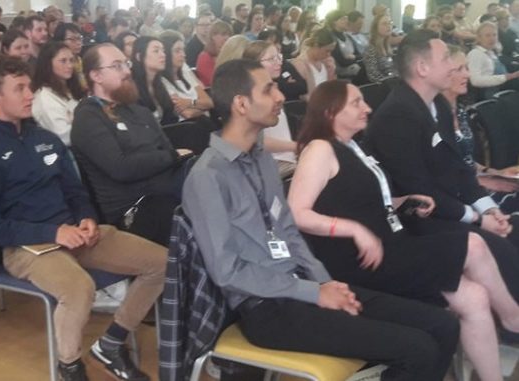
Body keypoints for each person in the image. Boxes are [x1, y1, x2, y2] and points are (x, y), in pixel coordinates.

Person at [183, 59, 459, 381]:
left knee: (444, 325)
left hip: (305, 285)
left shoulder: (260, 159)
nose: (280, 96)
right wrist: (314, 293)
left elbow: (287, 229)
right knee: (418, 349)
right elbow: (227, 271)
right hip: (268, 308)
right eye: (269, 89)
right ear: (241, 104)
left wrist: (324, 282)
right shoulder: (208, 176)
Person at [291, 79, 519, 381]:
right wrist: (353, 229)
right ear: (332, 111)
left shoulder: (350, 146)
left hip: (389, 246)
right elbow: (296, 212)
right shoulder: (320, 149)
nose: (368, 108)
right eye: (357, 102)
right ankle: (513, 318)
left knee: (474, 297)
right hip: (361, 261)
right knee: (474, 245)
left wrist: (401, 202)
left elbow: (358, 200)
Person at [0, 54, 165, 381]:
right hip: (27, 247)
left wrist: (86, 217)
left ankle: (112, 343)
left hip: (74, 233)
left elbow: (75, 191)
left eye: (29, 86)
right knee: (79, 288)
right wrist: (53, 232)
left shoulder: (45, 138)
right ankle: (70, 366)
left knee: (162, 263)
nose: (30, 95)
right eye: (20, 88)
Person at [364, 30, 519, 324]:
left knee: (513, 226)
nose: (452, 65)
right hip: (417, 220)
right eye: (446, 58)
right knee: (498, 245)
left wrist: (489, 208)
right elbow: (417, 189)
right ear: (423, 68)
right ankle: (512, 324)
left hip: (449, 207)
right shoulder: (396, 115)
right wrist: (475, 218)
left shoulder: (436, 106)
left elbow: (459, 170)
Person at [71, 43, 191, 239]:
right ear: (96, 76)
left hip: (167, 189)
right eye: (117, 66)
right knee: (195, 206)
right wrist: (171, 156)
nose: (127, 71)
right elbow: (121, 168)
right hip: (135, 209)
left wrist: (171, 157)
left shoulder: (139, 110)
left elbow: (168, 152)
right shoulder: (88, 118)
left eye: (126, 64)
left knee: (208, 175)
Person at [443, 45, 519, 214]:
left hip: (474, 182)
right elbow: (442, 174)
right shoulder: (432, 118)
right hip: (459, 196)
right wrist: (483, 182)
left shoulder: (460, 110)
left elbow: (466, 160)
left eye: (467, 68)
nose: (467, 74)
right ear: (442, 74)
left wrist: (494, 173)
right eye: (459, 69)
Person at [243, 41, 298, 177]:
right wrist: (295, 146)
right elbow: (256, 141)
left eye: (279, 57)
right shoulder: (251, 95)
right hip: (269, 164)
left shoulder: (275, 88)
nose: (278, 62)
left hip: (287, 158)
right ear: (254, 64)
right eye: (272, 59)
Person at [31, 41, 86, 156]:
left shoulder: (70, 88)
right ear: (48, 64)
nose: (70, 65)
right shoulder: (44, 98)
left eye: (71, 60)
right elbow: (65, 137)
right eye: (63, 61)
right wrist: (87, 122)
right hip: (69, 155)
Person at [158, 30, 213, 121]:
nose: (183, 54)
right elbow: (187, 114)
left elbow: (209, 102)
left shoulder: (184, 71)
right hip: (186, 127)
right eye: (177, 51)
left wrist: (189, 103)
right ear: (166, 54)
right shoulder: (162, 81)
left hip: (204, 122)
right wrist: (203, 109)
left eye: (183, 50)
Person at [131, 36, 178, 125]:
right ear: (139, 56)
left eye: (163, 51)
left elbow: (171, 117)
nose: (163, 55)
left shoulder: (159, 83)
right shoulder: (131, 88)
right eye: (156, 51)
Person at [467, 22, 519, 99]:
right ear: (479, 38)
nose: (492, 38)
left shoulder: (491, 53)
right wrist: (507, 77)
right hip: (491, 94)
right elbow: (475, 81)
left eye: (494, 35)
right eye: (488, 35)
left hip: (504, 89)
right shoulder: (476, 54)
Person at [292, 28, 337, 97]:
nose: (329, 54)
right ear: (316, 45)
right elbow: (302, 96)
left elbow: (332, 88)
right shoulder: (300, 64)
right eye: (327, 51)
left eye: (331, 51)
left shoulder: (327, 61)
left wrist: (331, 71)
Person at [326, 10, 361, 79]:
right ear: (334, 22)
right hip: (340, 73)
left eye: (347, 18)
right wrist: (356, 58)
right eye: (343, 19)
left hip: (353, 68)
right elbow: (342, 61)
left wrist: (354, 57)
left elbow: (359, 55)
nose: (346, 21)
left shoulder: (348, 36)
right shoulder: (331, 38)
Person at [196, 20, 232, 86]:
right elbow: (215, 82)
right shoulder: (204, 57)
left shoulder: (230, 55)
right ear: (213, 36)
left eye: (229, 35)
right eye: (223, 34)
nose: (227, 38)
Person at [365, 14, 397, 83]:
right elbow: (374, 76)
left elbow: (393, 69)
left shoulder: (388, 47)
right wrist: (392, 83)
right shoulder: (371, 49)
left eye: (390, 23)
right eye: (384, 24)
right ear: (376, 27)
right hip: (382, 87)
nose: (389, 26)